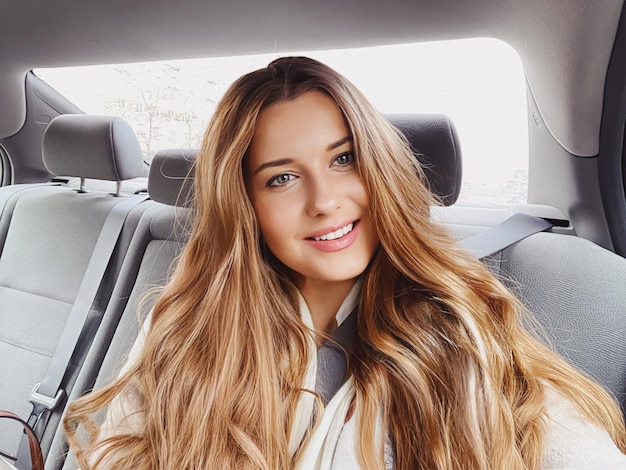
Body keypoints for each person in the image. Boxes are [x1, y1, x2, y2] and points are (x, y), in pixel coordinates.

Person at [63, 56, 626, 469]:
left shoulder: (459, 329)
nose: (324, 200)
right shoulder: (185, 325)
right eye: (281, 178)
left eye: (344, 159)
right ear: (246, 205)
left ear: (379, 167)